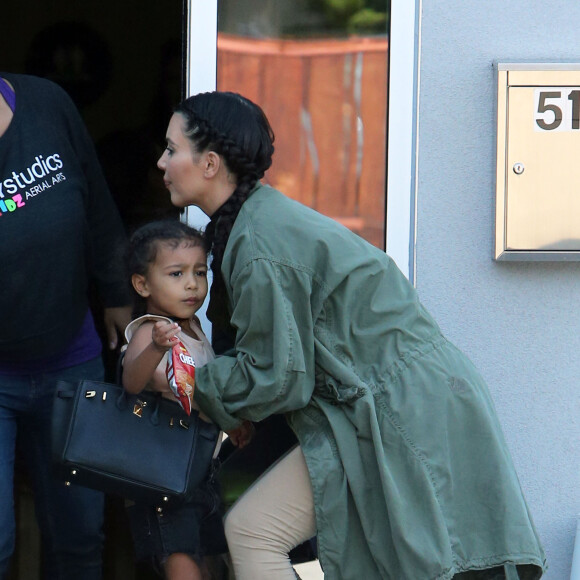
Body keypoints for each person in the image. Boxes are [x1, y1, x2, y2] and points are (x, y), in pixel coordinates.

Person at [156, 91, 547, 580]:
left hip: (402, 412)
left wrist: (188, 382)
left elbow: (278, 375)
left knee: (257, 532)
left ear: (209, 163)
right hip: (395, 405)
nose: (162, 162)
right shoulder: (258, 222)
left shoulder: (259, 239)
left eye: (172, 150)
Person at [0, 72, 132, 578]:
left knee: (79, 538)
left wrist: (118, 290)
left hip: (72, 362)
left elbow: (97, 203)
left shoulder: (47, 103)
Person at [121, 220, 251, 580]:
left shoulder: (194, 326)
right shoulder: (150, 328)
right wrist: (156, 347)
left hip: (200, 474)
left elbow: (200, 391)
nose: (192, 284)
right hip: (162, 476)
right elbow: (131, 381)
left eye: (200, 272)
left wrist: (230, 422)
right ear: (142, 284)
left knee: (207, 562)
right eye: (176, 274)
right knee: (180, 563)